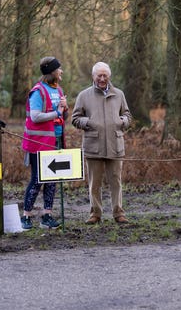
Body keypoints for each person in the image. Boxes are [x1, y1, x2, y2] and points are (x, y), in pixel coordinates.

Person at [72, 62, 132, 224]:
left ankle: (118, 213)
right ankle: (95, 214)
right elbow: (75, 118)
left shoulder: (119, 94)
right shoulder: (83, 96)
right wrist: (88, 122)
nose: (102, 78)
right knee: (94, 183)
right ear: (93, 77)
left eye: (105, 75)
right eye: (99, 75)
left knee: (116, 181)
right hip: (94, 145)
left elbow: (127, 115)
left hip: (115, 144)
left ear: (109, 76)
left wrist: (123, 121)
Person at [20, 56, 67, 230]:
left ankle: (47, 215)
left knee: (52, 180)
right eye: (59, 69)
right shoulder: (37, 91)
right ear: (52, 72)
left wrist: (64, 108)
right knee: (37, 180)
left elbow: (62, 115)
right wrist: (57, 113)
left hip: (55, 141)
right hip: (38, 143)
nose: (61, 71)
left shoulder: (59, 90)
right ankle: (26, 216)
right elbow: (35, 116)